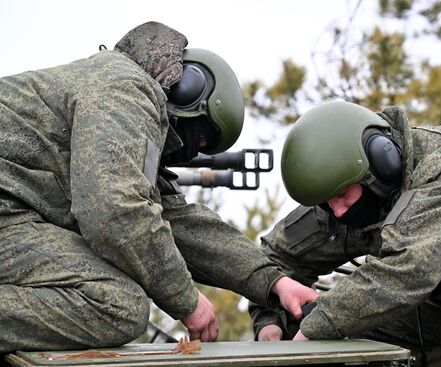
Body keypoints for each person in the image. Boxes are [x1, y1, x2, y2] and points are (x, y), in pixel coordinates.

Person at [0, 21, 317, 352]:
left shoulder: (124, 103)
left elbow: (182, 225)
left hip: (12, 211)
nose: (192, 149)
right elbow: (113, 210)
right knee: (117, 303)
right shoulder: (124, 88)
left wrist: (275, 282)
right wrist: (188, 301)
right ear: (187, 90)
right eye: (201, 136)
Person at [250, 101, 441, 366]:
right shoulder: (346, 194)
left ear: (382, 161)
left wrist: (320, 322)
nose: (338, 212)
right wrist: (269, 320)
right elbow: (277, 256)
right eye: (327, 203)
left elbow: (409, 271)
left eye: (342, 194)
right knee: (312, 321)